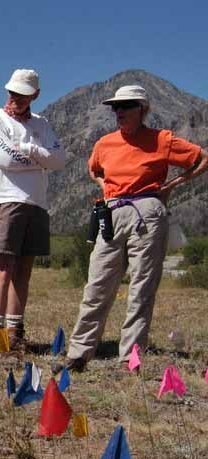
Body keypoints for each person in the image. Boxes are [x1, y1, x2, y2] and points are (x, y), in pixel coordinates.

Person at [66, 85, 208, 371]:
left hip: (147, 211)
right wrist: (102, 185)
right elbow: (93, 168)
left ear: (142, 110)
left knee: (141, 288)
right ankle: (78, 355)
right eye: (115, 107)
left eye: (126, 106)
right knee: (97, 284)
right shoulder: (104, 143)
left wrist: (172, 186)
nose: (119, 112)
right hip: (112, 211)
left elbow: (202, 158)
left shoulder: (162, 139)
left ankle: (130, 360)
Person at [0, 69, 66, 350]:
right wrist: (41, 159)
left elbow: (59, 161)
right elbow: (7, 159)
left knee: (24, 269)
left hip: (36, 202)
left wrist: (30, 149)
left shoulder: (42, 124)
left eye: (22, 94)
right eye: (12, 92)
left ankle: (15, 331)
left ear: (35, 96)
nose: (15, 98)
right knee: (3, 267)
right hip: (4, 199)